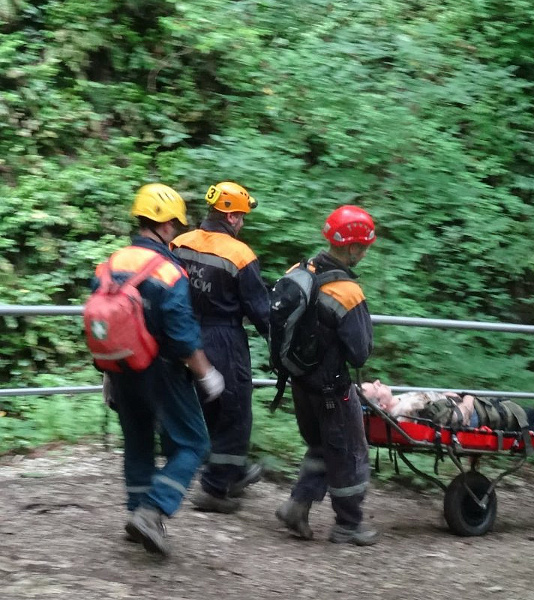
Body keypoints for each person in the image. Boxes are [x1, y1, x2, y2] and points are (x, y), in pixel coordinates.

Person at [100, 184, 224, 556]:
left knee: (137, 442)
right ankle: (153, 512)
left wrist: (107, 374)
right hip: (162, 371)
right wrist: (206, 373)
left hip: (121, 368)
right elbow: (182, 334)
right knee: (194, 443)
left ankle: (138, 513)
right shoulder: (169, 271)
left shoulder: (112, 262)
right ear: (167, 224)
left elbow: (103, 325)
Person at [275, 205, 378, 546]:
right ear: (351, 247)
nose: (364, 253)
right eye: (363, 247)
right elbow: (360, 351)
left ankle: (297, 506)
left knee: (320, 446)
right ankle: (349, 524)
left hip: (299, 382)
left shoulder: (300, 271)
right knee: (348, 452)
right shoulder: (348, 293)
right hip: (332, 389)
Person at [171, 182, 270, 513]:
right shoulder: (239, 254)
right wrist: (281, 346)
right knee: (234, 408)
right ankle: (215, 488)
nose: (242, 222)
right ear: (229, 216)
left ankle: (233, 470)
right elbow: (260, 310)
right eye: (240, 215)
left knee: (202, 405)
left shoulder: (179, 243)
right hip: (223, 338)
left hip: (183, 333)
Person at [359, 380, 534, 433]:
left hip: (484, 413)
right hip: (483, 418)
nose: (380, 382)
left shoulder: (403, 404)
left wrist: (451, 396)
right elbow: (456, 419)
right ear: (381, 403)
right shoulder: (409, 408)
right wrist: (467, 398)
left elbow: (440, 407)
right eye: (376, 387)